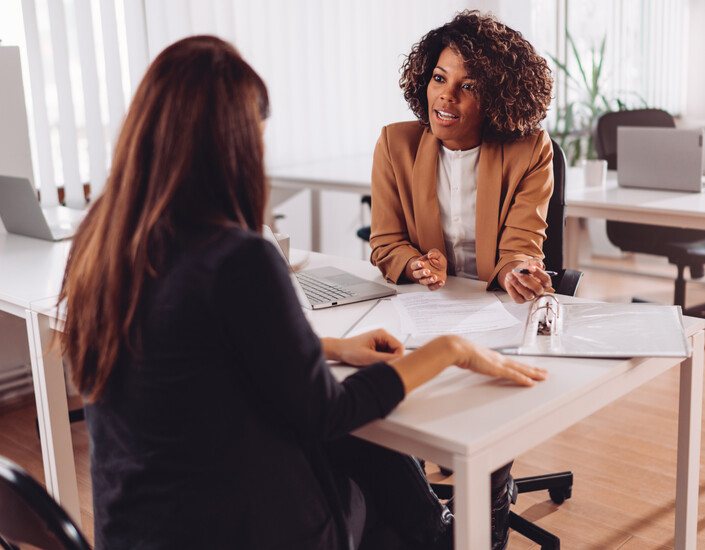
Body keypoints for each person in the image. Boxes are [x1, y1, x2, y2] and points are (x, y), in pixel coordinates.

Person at [58, 36, 546, 550]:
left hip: (135, 530)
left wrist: (328, 348)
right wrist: (450, 349)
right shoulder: (238, 258)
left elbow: (193, 348)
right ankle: (446, 536)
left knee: (359, 457)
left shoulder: (103, 240)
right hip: (241, 532)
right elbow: (327, 412)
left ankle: (438, 530)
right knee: (360, 446)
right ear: (235, 144)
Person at [370, 10, 555, 305]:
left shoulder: (530, 150)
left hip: (497, 303)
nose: (447, 95)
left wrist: (514, 274)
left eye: (468, 86)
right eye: (439, 78)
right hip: (426, 303)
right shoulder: (395, 145)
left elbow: (519, 247)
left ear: (497, 98)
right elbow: (386, 242)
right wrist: (417, 266)